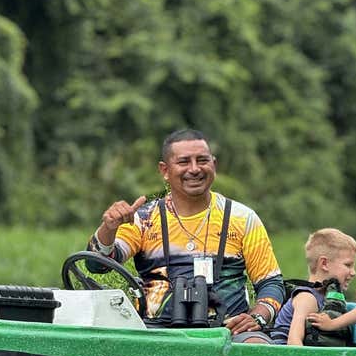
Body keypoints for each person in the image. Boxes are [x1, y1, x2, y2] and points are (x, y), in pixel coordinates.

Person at [88, 128, 285, 342]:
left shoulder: (242, 217)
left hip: (229, 333)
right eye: (183, 162)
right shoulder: (143, 218)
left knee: (258, 346)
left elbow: (271, 284)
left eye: (202, 160)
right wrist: (109, 228)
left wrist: (258, 317)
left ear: (214, 165)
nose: (194, 169)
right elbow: (97, 265)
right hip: (154, 333)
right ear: (165, 170)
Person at [270, 229, 356, 346]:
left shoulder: (330, 298)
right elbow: (294, 341)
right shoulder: (307, 298)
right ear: (324, 264)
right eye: (348, 265)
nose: (353, 272)